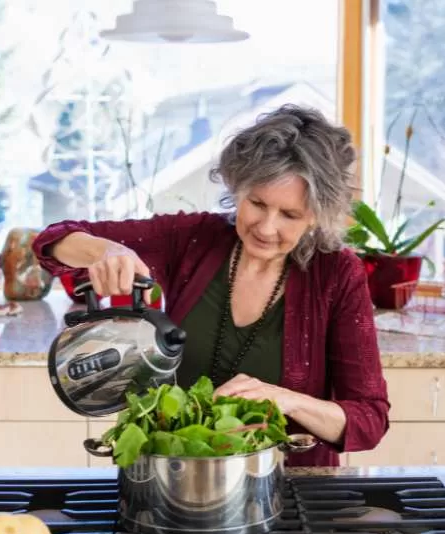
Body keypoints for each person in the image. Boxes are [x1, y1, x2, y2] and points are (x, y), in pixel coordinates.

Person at [33, 104, 389, 467]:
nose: (266, 227)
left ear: (316, 215)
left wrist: (287, 400)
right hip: (175, 476)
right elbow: (51, 241)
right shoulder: (193, 239)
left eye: (289, 215)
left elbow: (370, 419)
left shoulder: (336, 274)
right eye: (257, 203)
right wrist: (104, 250)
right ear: (238, 188)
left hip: (286, 484)